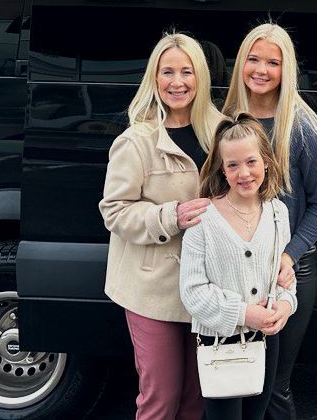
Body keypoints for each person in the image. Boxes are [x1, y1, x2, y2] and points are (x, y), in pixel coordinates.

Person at [99, 32, 222, 420]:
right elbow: (114, 211)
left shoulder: (223, 132)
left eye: (187, 71)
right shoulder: (136, 140)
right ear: (154, 77)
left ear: (200, 77)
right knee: (161, 399)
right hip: (153, 290)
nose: (177, 82)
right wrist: (172, 216)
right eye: (167, 72)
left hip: (209, 287)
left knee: (196, 401)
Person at [222, 24, 317, 420]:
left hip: (287, 272)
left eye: (273, 62)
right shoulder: (226, 121)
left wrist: (289, 256)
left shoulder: (303, 127)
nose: (261, 70)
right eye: (253, 59)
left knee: (273, 387)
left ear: (287, 69)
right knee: (234, 382)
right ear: (241, 63)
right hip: (235, 270)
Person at [179, 114, 297, 420]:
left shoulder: (277, 213)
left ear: (266, 162)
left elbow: (283, 279)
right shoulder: (203, 220)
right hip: (220, 344)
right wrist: (245, 314)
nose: (243, 173)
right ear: (222, 168)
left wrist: (286, 306)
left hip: (266, 340)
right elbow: (192, 292)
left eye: (251, 162)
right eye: (232, 165)